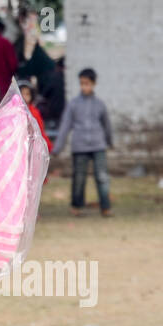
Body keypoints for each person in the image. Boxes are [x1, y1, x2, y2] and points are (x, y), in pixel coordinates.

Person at [51, 67, 114, 217]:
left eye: (87, 83)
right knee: (79, 177)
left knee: (102, 177)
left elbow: (107, 125)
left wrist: (109, 142)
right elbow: (65, 127)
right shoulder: (73, 104)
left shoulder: (100, 104)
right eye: (82, 83)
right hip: (79, 146)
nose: (84, 87)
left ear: (94, 84)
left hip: (98, 145)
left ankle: (105, 207)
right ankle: (76, 206)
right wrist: (57, 148)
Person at [19, 81, 52, 153]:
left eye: (27, 94)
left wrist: (47, 145)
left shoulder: (34, 112)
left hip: (31, 146)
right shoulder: (11, 111)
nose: (24, 97)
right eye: (21, 93)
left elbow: (40, 129)